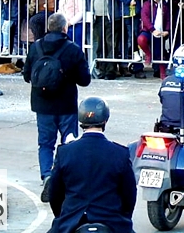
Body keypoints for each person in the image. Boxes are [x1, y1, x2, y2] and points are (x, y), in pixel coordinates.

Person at [23, 12, 92, 202]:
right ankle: (63, 179)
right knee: (68, 143)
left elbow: (27, 74)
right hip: (66, 103)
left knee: (45, 143)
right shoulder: (73, 49)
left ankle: (47, 175)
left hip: (42, 103)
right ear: (65, 28)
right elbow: (85, 80)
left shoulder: (36, 47)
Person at [45, 97, 136, 233]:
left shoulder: (65, 152)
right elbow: (129, 195)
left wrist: (63, 217)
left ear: (81, 120)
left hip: (71, 221)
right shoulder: (120, 153)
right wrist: (123, 218)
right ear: (105, 120)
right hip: (112, 222)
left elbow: (55, 194)